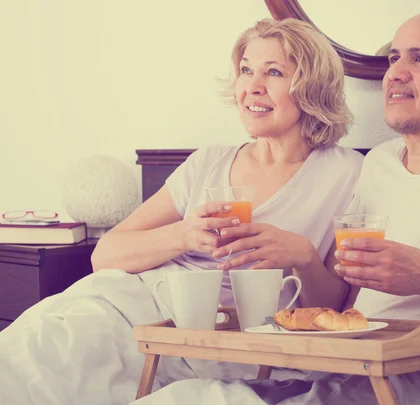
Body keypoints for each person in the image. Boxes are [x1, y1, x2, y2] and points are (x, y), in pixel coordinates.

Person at [130, 11, 420, 405]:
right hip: (361, 368)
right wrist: (302, 259)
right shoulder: (381, 165)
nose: (396, 72)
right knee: (184, 396)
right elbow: (342, 305)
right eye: (394, 57)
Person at [0, 18, 364, 405]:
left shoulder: (346, 175)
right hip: (131, 310)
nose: (252, 86)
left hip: (219, 341)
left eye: (273, 72)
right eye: (245, 70)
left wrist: (304, 256)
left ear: (311, 86)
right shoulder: (206, 163)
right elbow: (104, 255)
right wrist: (184, 234)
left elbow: (338, 311)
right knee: (28, 357)